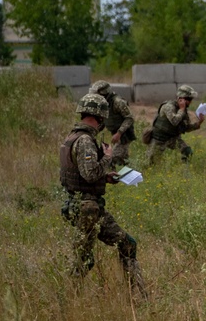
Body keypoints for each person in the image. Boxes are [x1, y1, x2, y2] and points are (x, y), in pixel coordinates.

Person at [60, 93, 147, 299]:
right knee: (117, 248)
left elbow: (82, 173)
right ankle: (138, 296)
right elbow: (89, 174)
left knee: (91, 257)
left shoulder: (72, 137)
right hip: (88, 208)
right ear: (99, 117)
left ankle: (70, 298)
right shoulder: (85, 140)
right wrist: (107, 158)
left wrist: (105, 178)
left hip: (80, 205)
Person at [145, 85, 205, 165]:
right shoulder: (168, 107)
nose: (190, 102)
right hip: (159, 138)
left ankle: (185, 172)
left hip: (172, 138)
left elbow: (186, 127)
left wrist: (199, 122)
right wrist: (181, 110)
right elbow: (174, 121)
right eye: (189, 99)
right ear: (181, 99)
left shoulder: (183, 110)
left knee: (187, 151)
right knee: (150, 164)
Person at [88, 80, 135, 166]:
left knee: (113, 159)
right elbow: (104, 120)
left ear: (103, 93)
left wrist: (119, 133)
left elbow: (129, 118)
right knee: (122, 159)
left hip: (124, 134)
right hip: (116, 133)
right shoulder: (104, 103)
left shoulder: (118, 102)